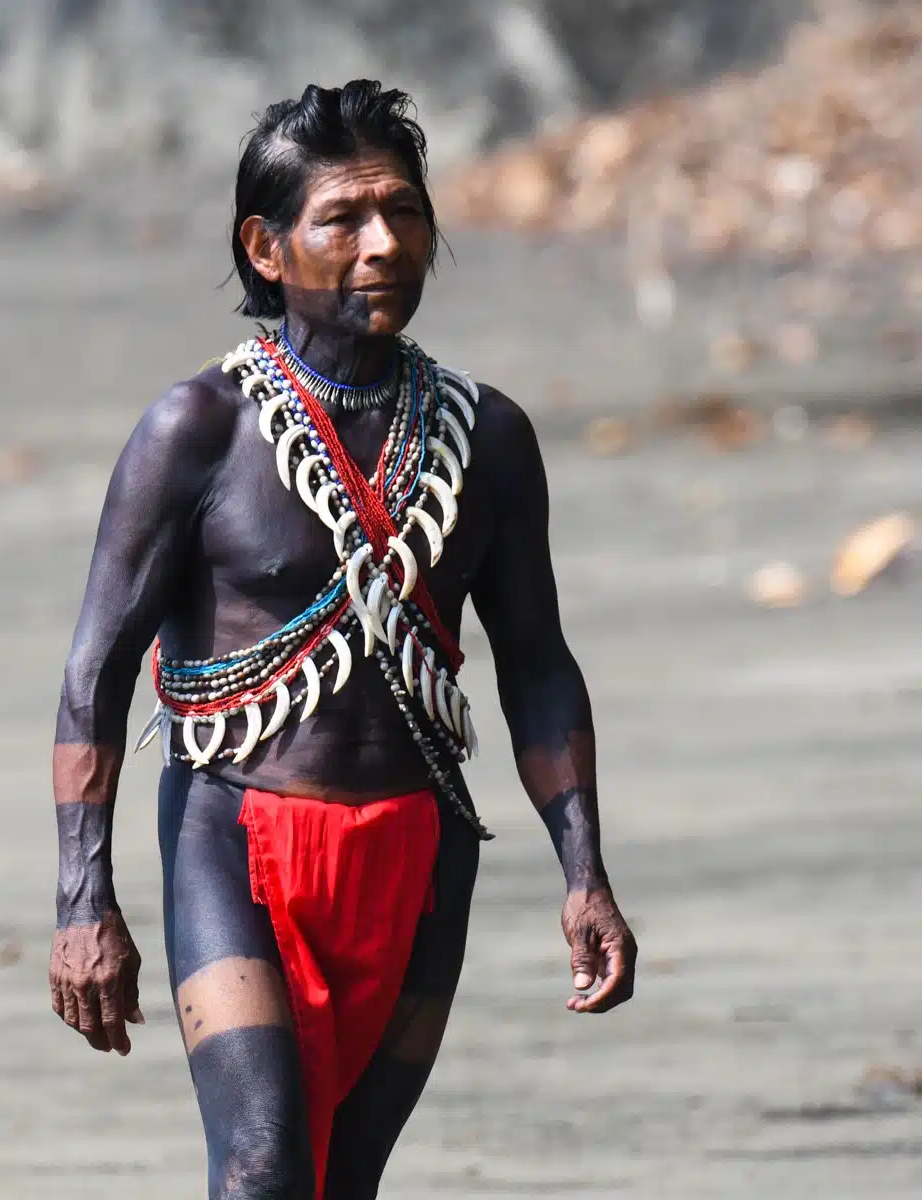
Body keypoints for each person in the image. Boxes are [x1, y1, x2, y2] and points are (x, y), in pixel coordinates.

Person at [49, 79, 637, 1200]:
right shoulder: (196, 431)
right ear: (266, 249)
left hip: (420, 853)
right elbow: (95, 674)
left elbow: (540, 665)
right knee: (265, 1169)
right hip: (233, 843)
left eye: (405, 213)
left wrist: (585, 872)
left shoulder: (487, 438)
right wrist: (85, 901)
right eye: (345, 219)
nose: (385, 244)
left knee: (342, 1179)